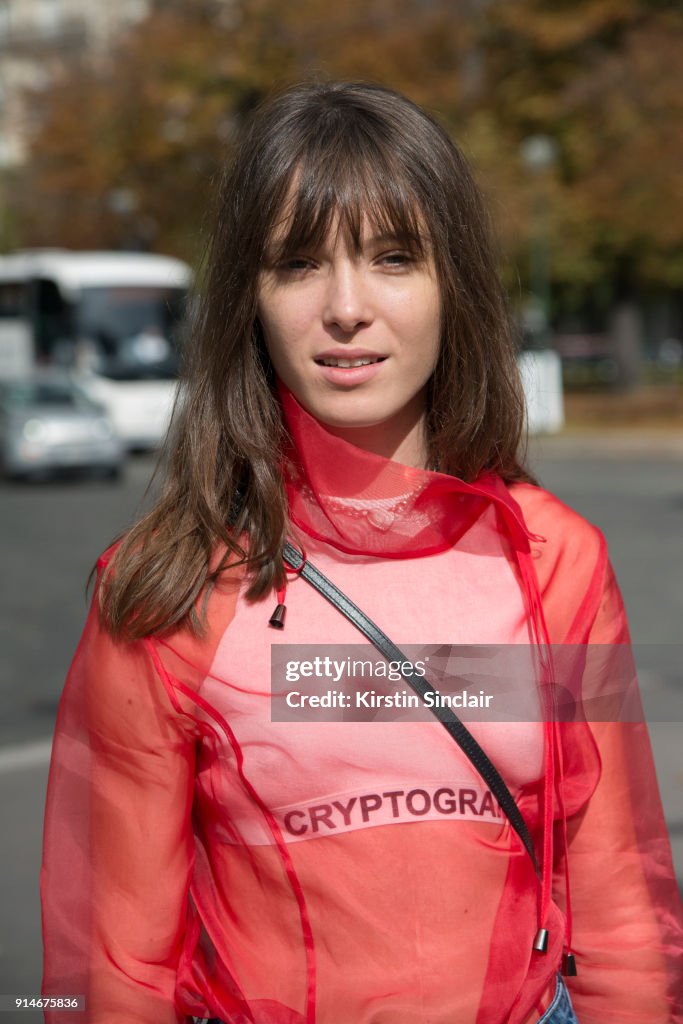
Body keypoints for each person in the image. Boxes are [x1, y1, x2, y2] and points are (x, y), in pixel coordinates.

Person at [41, 81, 682, 1024]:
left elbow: (618, 902)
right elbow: (123, 963)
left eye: (393, 258)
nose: (346, 307)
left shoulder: (556, 559)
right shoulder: (168, 585)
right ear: (247, 301)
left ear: (450, 282)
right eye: (298, 264)